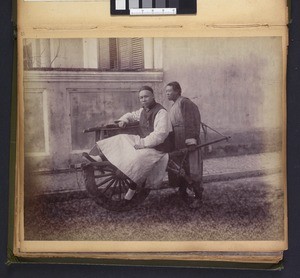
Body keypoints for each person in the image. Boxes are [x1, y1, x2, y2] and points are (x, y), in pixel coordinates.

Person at [84, 86, 172, 200]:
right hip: (144, 142)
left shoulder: (161, 112)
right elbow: (131, 115)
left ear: (153, 96)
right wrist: (124, 120)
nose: (143, 100)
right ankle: (100, 157)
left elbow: (160, 135)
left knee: (137, 157)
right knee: (121, 138)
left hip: (158, 147)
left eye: (146, 96)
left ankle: (133, 187)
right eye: (141, 98)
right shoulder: (142, 110)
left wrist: (143, 143)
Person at [165, 81, 204, 208]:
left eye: (169, 91)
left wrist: (191, 140)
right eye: (166, 91)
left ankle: (198, 197)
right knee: (180, 168)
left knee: (192, 169)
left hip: (187, 140)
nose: (167, 94)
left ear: (177, 91)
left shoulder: (185, 103)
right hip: (178, 140)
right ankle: (183, 192)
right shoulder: (174, 105)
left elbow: (191, 121)